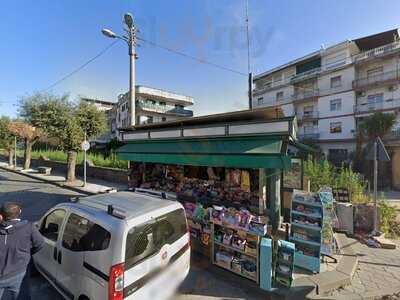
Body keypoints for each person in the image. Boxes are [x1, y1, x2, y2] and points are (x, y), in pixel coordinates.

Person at [0, 202, 44, 300]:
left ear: (1, 216)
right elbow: (40, 243)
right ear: (19, 212)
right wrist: (27, 254)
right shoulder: (29, 227)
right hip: (19, 273)